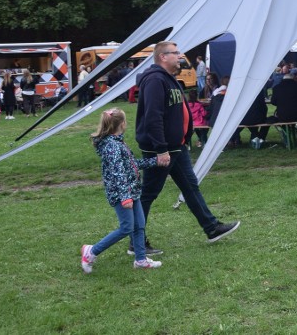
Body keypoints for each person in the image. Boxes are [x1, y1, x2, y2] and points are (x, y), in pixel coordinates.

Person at [135, 41, 240, 254]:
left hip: (177, 146)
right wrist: (161, 148)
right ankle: (136, 242)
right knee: (148, 193)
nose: (180, 56)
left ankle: (212, 228)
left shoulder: (170, 79)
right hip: (162, 148)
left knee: (190, 187)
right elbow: (152, 116)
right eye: (175, 53)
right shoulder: (155, 80)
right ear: (163, 57)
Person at [80, 108, 163, 273]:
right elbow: (118, 173)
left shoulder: (118, 142)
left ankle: (140, 260)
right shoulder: (112, 146)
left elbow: (132, 165)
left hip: (132, 191)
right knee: (126, 227)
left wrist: (155, 161)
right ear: (122, 124)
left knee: (139, 225)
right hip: (122, 194)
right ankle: (91, 252)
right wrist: (125, 197)